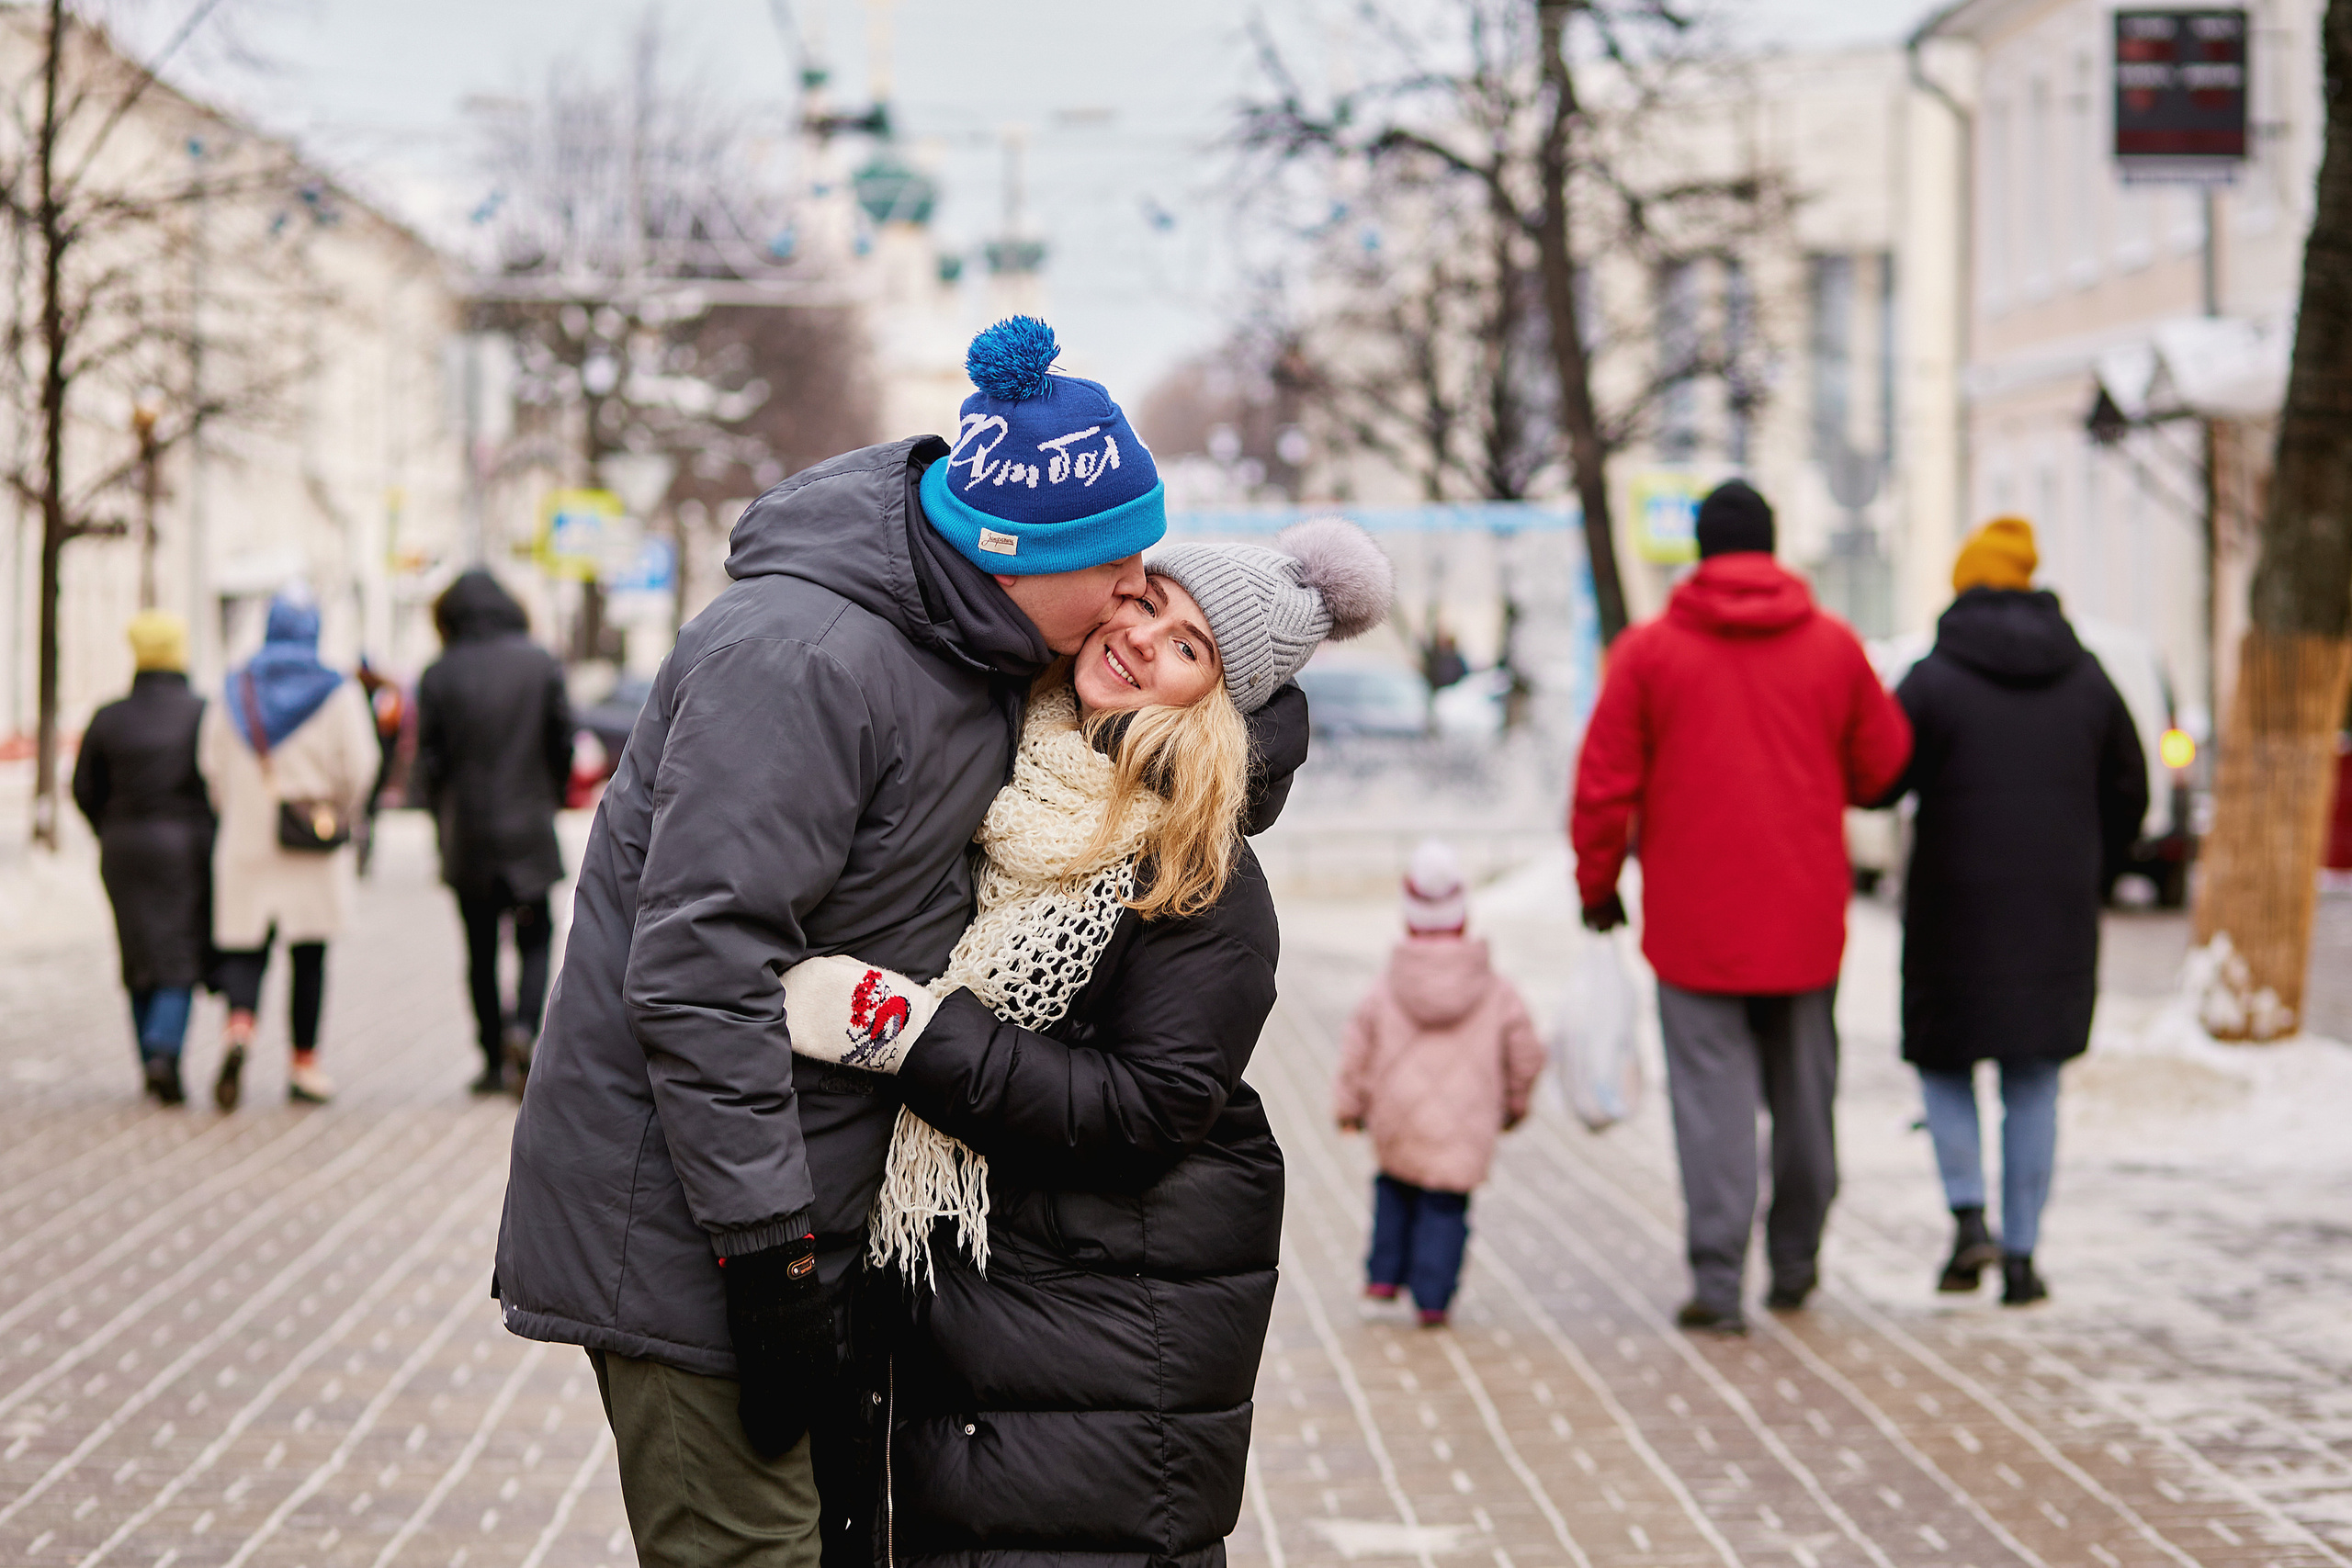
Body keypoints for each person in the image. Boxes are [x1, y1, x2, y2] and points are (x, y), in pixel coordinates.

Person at [494, 317, 1171, 1568]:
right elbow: (700, 967)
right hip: (701, 1228)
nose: (1139, 593)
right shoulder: (801, 658)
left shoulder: (969, 646)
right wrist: (767, 1254)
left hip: (806, 1214)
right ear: (1019, 554)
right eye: (1120, 568)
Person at [777, 516, 1391, 1567]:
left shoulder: (1197, 874)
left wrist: (904, 1031)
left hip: (1090, 1367)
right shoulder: (998, 786)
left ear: (1217, 702)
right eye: (1147, 602)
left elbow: (1146, 1109)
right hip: (977, 1348)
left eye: (1189, 646)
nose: (1146, 639)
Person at [1570, 479, 1911, 1335]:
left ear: (1701, 549)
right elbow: (1882, 768)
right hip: (1805, 921)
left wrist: (1599, 886)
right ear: (1772, 542)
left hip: (1695, 926)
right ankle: (1795, 1261)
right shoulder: (1834, 647)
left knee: (1711, 1106)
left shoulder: (1649, 653)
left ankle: (1719, 1281)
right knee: (1806, 1099)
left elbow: (1604, 786)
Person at [1877, 518, 2145, 1307]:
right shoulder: (2087, 675)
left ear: (1963, 586)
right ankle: (2023, 1258)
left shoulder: (1932, 677)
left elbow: (1881, 776)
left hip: (1951, 909)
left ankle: (1968, 1218)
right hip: (2055, 911)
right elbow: (2130, 787)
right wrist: (2094, 864)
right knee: (2033, 1077)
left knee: (1943, 1061)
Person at [1333, 837, 1544, 1327]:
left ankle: (1384, 1275)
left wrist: (1350, 1106)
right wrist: (1515, 1104)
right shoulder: (1497, 989)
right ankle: (1433, 1300)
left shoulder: (1386, 986)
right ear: (1462, 915)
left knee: (1396, 1187)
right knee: (1445, 1207)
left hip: (1397, 1116)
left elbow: (1357, 1047)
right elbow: (1526, 1053)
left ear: (1408, 917)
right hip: (1466, 1123)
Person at [198, 592, 380, 1110]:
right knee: (309, 954)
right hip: (310, 842)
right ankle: (304, 1065)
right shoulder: (337, 691)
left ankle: (239, 1031)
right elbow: (361, 766)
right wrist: (338, 812)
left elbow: (210, 764)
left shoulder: (234, 687)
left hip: (246, 840)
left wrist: (234, 808)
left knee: (245, 947)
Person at [413, 570, 574, 1095]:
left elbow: (429, 761)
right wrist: (549, 794)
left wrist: (440, 816)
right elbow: (563, 742)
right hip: (529, 825)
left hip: (469, 833)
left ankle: (490, 1055)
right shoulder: (540, 663)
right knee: (535, 938)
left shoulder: (439, 674)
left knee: (480, 949)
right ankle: (525, 1029)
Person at [71, 611, 215, 1105]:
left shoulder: (109, 717)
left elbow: (83, 787)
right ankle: (164, 1048)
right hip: (184, 848)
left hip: (122, 848)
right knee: (179, 951)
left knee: (137, 953)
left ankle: (149, 1059)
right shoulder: (201, 714)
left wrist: (110, 827)